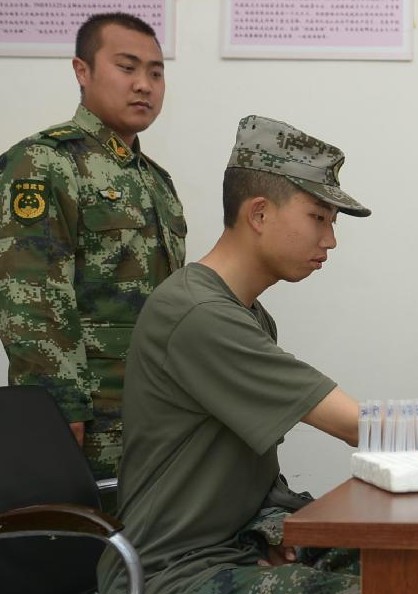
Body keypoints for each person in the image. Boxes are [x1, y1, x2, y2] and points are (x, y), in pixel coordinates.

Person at [97, 115, 372, 594]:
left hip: (236, 546)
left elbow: (249, 473)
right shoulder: (199, 313)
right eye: (318, 218)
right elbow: (357, 425)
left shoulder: (245, 312)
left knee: (408, 559)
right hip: (175, 570)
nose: (330, 240)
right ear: (259, 214)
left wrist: (268, 532)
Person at [0, 12, 186, 482]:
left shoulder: (156, 180)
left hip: (153, 412)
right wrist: (59, 409)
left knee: (142, 544)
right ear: (82, 71)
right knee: (75, 543)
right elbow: (32, 299)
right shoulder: (44, 162)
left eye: (156, 72)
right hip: (84, 416)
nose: (144, 84)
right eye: (127, 67)